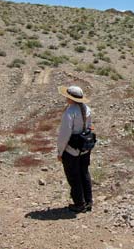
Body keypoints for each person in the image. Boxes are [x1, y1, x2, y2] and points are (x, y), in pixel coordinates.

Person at [57, 85, 93, 213]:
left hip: (71, 149)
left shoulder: (69, 112)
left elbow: (64, 134)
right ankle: (88, 201)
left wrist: (60, 152)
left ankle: (79, 203)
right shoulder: (86, 109)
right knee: (84, 173)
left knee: (73, 176)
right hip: (84, 147)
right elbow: (89, 127)